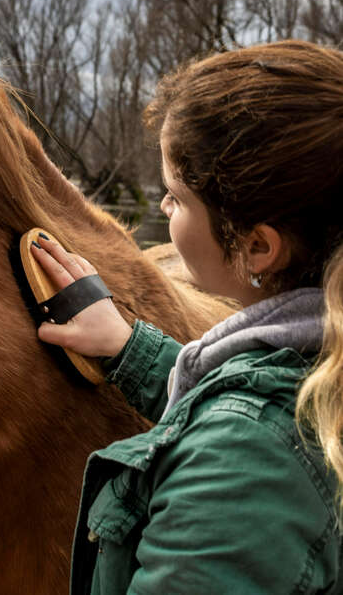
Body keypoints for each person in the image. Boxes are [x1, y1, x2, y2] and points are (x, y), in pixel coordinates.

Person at [31, 40, 343, 594]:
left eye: (176, 195)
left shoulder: (240, 470)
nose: (162, 209)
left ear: (258, 248)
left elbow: (256, 439)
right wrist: (132, 349)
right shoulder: (319, 363)